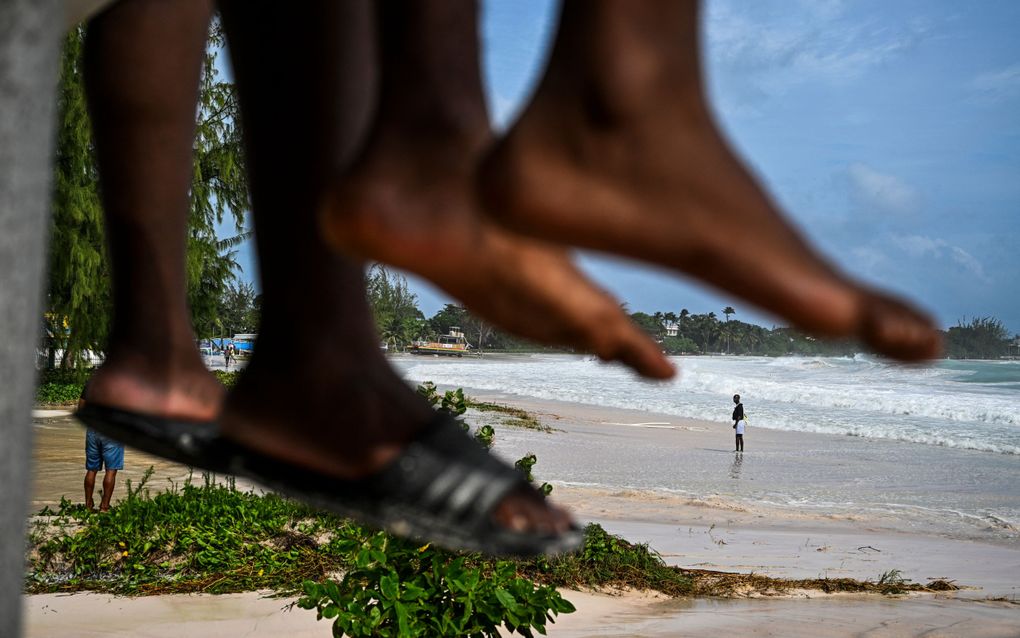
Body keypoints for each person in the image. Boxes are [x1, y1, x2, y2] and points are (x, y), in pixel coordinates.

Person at [79, 383, 124, 512]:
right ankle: (104, 507)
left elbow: (81, 407)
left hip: (93, 430)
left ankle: (88, 505)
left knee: (91, 470)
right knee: (111, 470)